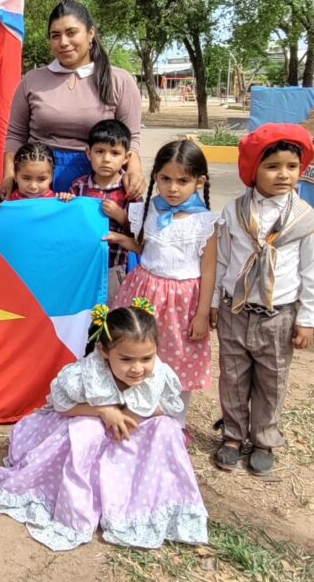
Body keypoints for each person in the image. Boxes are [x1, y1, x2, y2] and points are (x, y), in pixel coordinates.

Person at [0, 303, 208, 551]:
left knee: (167, 428)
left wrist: (128, 415)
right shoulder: (85, 374)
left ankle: (145, 504)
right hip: (86, 427)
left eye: (146, 358)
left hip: (129, 437)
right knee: (87, 430)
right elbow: (63, 406)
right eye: (126, 359)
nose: (137, 368)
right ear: (104, 351)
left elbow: (164, 407)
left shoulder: (159, 375)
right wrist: (104, 411)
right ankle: (76, 506)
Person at [212, 123, 314, 477]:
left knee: (272, 380)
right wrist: (215, 301)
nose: (283, 175)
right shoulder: (234, 213)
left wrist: (307, 319)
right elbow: (222, 259)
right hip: (235, 309)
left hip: (279, 315)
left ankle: (263, 439)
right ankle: (233, 435)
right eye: (273, 166)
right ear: (252, 169)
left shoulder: (306, 219)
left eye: (292, 167)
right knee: (232, 376)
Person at [110, 140, 217, 427]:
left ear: (199, 181)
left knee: (179, 363)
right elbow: (149, 250)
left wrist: (203, 314)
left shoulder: (205, 222)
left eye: (183, 181)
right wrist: (123, 240)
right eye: (165, 179)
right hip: (144, 292)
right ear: (155, 176)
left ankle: (174, 423)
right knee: (139, 356)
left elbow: (208, 271)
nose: (172, 188)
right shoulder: (148, 210)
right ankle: (137, 415)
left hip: (183, 302)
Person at [1, 0, 144, 198]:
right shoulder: (32, 80)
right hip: (38, 184)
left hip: (98, 183)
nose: (63, 42)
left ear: (90, 33)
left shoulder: (120, 81)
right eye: (55, 36)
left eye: (71, 33)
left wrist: (135, 172)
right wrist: (9, 176)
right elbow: (16, 136)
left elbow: (132, 137)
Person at [70, 119, 133, 301]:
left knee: (113, 320)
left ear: (126, 158)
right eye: (99, 152)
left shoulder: (129, 191)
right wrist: (66, 203)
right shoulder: (78, 187)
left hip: (114, 269)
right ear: (88, 153)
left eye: (115, 153)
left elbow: (140, 235)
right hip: (83, 266)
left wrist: (120, 216)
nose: (106, 159)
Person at [5, 143, 73, 201]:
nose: (33, 186)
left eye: (41, 179)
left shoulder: (57, 201)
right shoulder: (7, 201)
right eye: (26, 178)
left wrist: (66, 200)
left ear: (51, 177)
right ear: (15, 175)